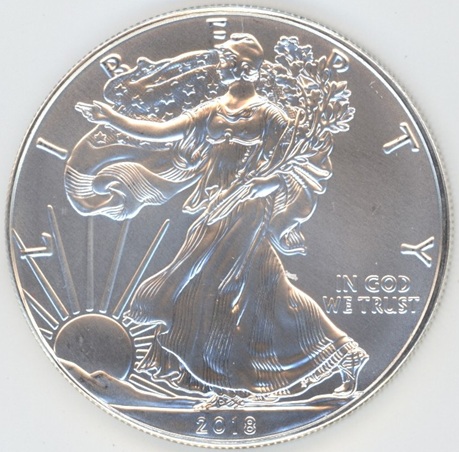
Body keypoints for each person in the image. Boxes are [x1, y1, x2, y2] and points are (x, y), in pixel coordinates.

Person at [75, 33, 368, 403]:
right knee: (267, 292)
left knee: (214, 289)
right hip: (215, 206)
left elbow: (292, 168)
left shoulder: (270, 115)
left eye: (226, 61)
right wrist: (113, 119)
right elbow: (163, 132)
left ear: (245, 68)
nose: (220, 66)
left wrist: (259, 185)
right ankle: (332, 355)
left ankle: (234, 380)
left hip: (248, 210)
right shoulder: (211, 110)